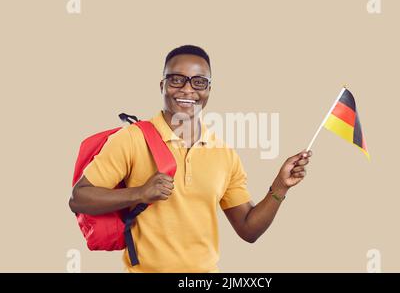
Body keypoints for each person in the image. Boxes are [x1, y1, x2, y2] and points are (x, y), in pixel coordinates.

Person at [69, 45, 312, 272]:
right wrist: (140, 193)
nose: (187, 90)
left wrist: (280, 186)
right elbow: (79, 198)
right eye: (177, 80)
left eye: (199, 82)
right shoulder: (132, 139)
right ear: (162, 85)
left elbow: (248, 230)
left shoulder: (224, 153)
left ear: (209, 89)